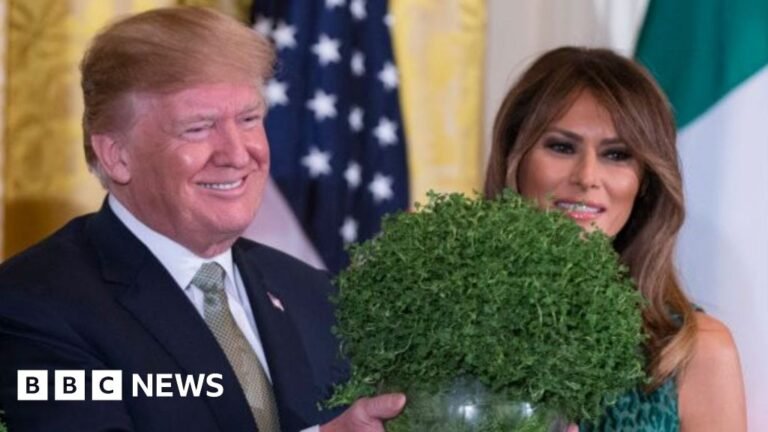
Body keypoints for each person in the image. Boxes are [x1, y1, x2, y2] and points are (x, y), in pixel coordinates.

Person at [0, 7, 404, 432]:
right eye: (198, 128)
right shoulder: (35, 306)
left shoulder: (313, 294)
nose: (237, 154)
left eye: (248, 120)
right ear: (117, 156)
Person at [484, 47, 747, 431]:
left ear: (645, 182)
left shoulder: (695, 351)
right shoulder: (443, 326)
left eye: (617, 154)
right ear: (514, 159)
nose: (587, 177)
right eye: (562, 147)